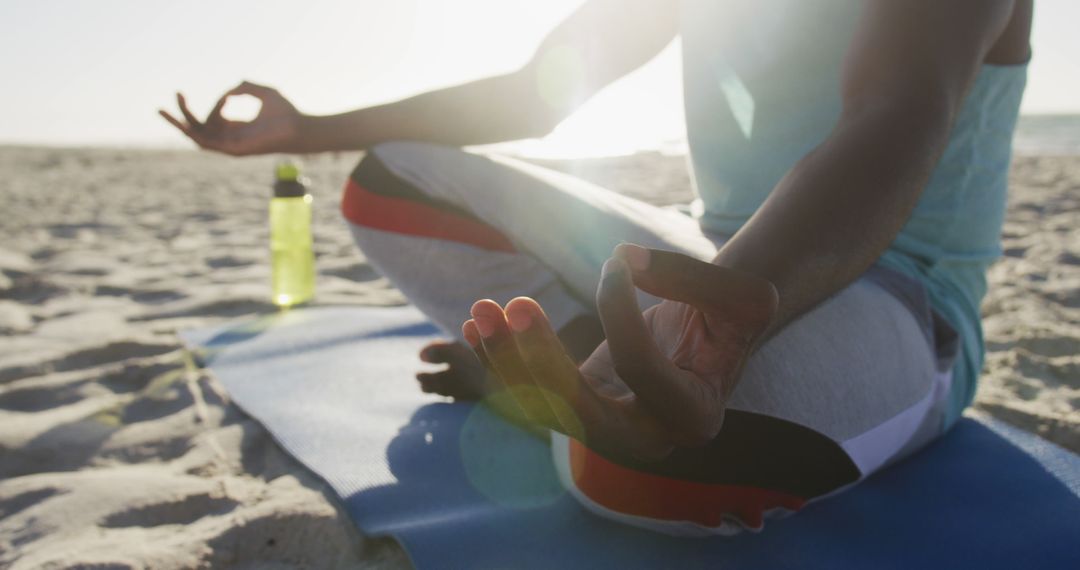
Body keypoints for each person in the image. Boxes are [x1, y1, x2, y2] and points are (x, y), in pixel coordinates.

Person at [162, 0, 1033, 536]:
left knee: (641, 468)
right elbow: (538, 91)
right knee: (392, 178)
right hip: (701, 246)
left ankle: (583, 377)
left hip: (895, 292)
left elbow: (894, 110)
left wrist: (725, 323)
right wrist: (304, 129)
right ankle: (586, 370)